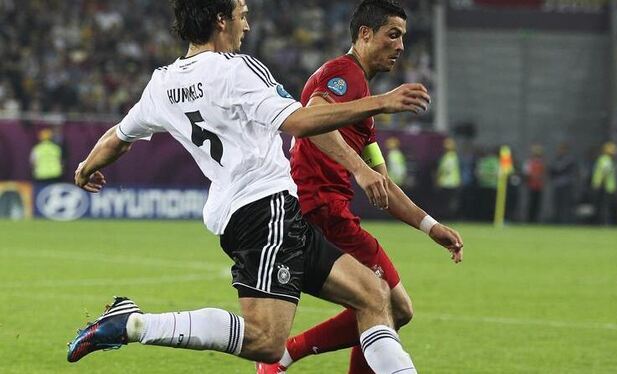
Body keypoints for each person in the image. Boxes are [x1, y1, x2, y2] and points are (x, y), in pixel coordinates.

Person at [66, 1, 437, 373]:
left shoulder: (162, 84)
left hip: (259, 215)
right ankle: (135, 324)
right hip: (266, 209)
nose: (246, 26)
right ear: (220, 20)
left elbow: (119, 137)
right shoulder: (237, 70)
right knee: (265, 341)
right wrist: (381, 103)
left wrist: (86, 168)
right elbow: (301, 121)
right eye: (242, 16)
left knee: (374, 295)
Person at [257, 1, 463, 373]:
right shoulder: (344, 73)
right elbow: (311, 116)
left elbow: (383, 184)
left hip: (327, 211)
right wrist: (358, 170)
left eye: (404, 37)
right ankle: (285, 354)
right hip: (320, 209)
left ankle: (284, 356)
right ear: (365, 34)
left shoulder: (362, 107)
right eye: (393, 34)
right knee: (393, 307)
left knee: (379, 305)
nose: (400, 46)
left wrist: (430, 227)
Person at [591, 142, 617, 225]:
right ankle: (604, 223)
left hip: (606, 186)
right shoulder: (605, 159)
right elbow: (604, 172)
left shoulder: (605, 159)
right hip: (605, 187)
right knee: (605, 207)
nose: (614, 153)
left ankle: (604, 222)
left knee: (604, 206)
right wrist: (599, 183)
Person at [549, 142, 576, 223]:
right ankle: (557, 220)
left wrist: (554, 169)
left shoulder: (569, 159)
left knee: (565, 204)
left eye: (561, 149)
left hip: (566, 185)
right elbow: (551, 170)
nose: (559, 151)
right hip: (558, 185)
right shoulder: (557, 159)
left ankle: (565, 221)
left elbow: (558, 168)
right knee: (557, 204)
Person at [436, 137, 461, 220]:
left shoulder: (449, 157)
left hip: (447, 183)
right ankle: (449, 217)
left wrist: (438, 179)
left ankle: (447, 218)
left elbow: (445, 169)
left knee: (446, 202)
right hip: (452, 182)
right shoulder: (453, 156)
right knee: (449, 202)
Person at [523, 144, 545, 223]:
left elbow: (543, 174)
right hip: (531, 185)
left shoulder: (542, 162)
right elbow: (526, 173)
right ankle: (529, 220)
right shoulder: (529, 162)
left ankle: (535, 220)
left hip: (539, 186)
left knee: (537, 204)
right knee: (531, 204)